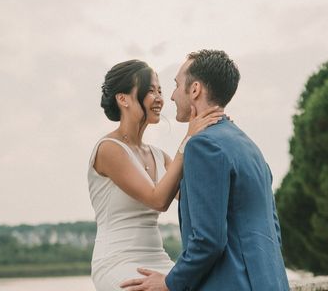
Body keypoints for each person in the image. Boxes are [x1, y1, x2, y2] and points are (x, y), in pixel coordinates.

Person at [121, 50, 290, 291]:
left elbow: (208, 240)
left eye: (177, 85)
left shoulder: (203, 145)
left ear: (195, 90)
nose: (170, 96)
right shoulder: (248, 145)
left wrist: (170, 282)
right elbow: (273, 230)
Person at [88, 59, 223, 291]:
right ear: (123, 99)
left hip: (158, 260)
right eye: (150, 90)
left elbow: (193, 194)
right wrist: (188, 140)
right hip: (116, 261)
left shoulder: (159, 156)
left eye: (160, 90)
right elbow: (158, 200)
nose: (160, 98)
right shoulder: (109, 149)